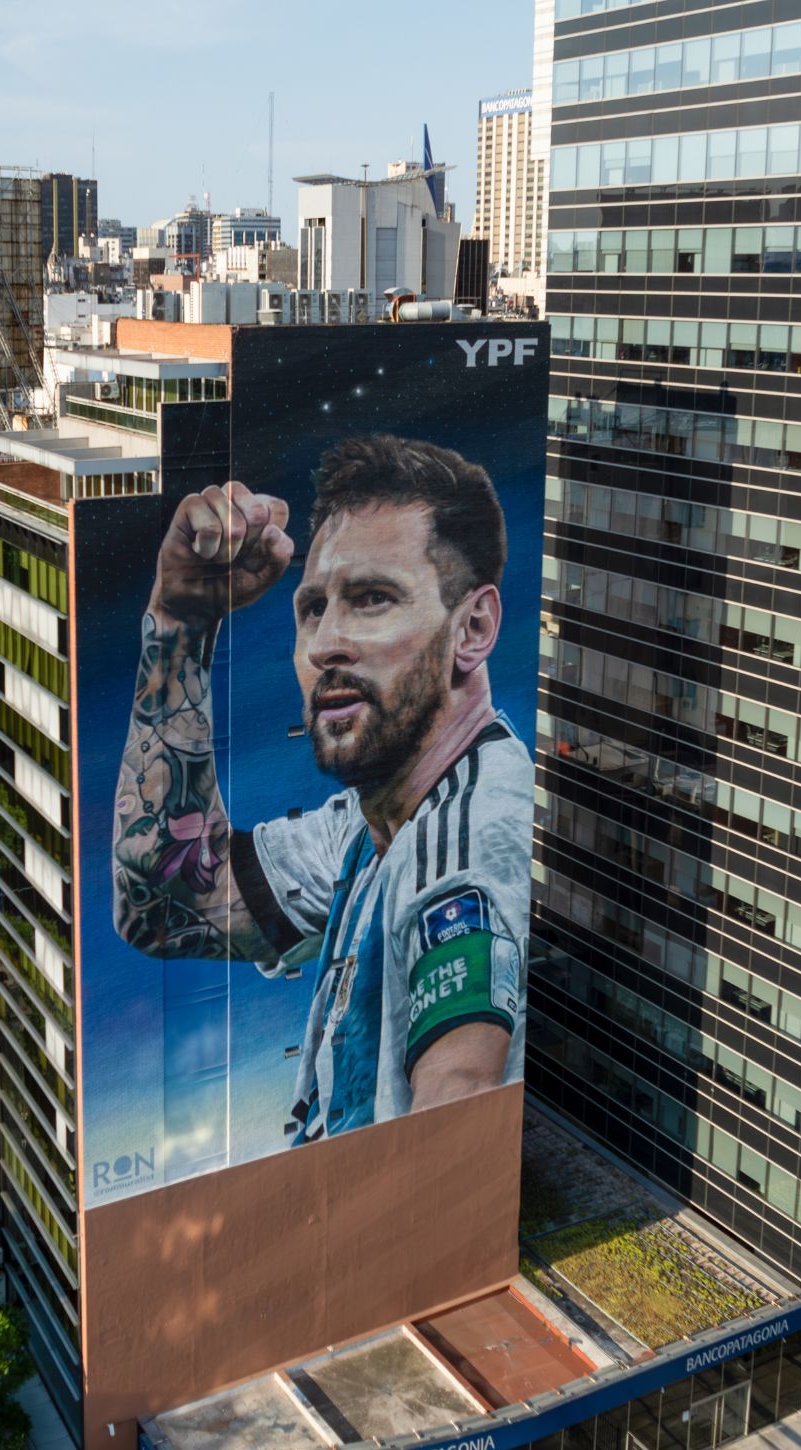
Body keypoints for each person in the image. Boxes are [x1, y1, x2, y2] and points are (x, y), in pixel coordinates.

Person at [112, 434, 530, 1141]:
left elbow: (458, 1099)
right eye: (313, 607)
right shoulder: (370, 824)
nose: (324, 644)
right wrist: (182, 617)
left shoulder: (468, 848)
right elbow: (160, 902)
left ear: (475, 626)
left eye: (371, 599)